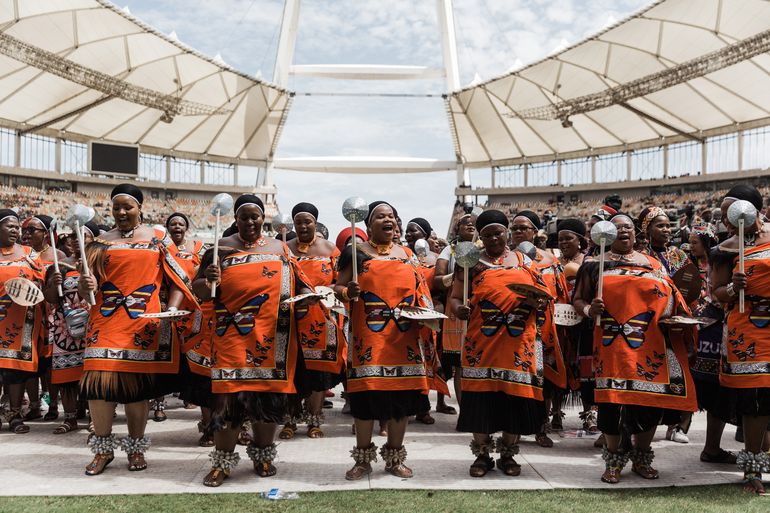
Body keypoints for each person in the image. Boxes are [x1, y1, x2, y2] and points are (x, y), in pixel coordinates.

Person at [193, 194, 313, 487]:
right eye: (243, 217)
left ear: (263, 218)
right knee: (228, 399)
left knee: (266, 398)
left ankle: (263, 456)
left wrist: (308, 298)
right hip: (231, 334)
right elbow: (198, 290)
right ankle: (222, 462)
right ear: (235, 219)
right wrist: (208, 279)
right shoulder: (220, 248)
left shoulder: (280, 248)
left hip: (272, 336)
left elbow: (299, 284)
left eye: (254, 216)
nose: (249, 221)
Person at [79, 184, 197, 476]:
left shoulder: (158, 238)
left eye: (127, 207)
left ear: (139, 208)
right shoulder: (100, 242)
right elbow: (86, 290)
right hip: (104, 321)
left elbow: (179, 278)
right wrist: (85, 284)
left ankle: (136, 448)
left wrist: (171, 310)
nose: (121, 212)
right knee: (98, 386)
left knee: (135, 389)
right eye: (116, 207)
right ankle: (102, 450)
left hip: (142, 321)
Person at [573, 213, 697, 484]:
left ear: (635, 232)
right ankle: (614, 461)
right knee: (612, 404)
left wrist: (678, 318)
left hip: (651, 344)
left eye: (627, 227)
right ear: (606, 234)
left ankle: (642, 457)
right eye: (617, 228)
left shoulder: (653, 264)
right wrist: (589, 309)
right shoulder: (593, 265)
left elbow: (673, 296)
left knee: (647, 402)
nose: (623, 231)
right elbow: (578, 299)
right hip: (611, 345)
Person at [334, 201, 434, 480]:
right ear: (369, 224)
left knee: (401, 402)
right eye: (381, 216)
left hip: (404, 339)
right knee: (366, 401)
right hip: (369, 341)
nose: (388, 220)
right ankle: (362, 460)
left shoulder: (408, 254)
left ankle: (395, 458)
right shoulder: (355, 253)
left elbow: (420, 290)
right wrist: (348, 292)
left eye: (391, 216)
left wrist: (425, 314)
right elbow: (337, 286)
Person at [451, 210, 549, 477]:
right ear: (480, 237)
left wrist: (537, 301)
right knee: (481, 398)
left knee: (513, 398)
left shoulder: (525, 261)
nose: (494, 238)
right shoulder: (470, 261)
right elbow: (455, 297)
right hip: (481, 341)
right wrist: (460, 309)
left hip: (517, 342)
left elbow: (543, 295)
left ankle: (508, 454)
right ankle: (482, 455)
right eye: (487, 235)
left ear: (507, 232)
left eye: (498, 233)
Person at [710, 185, 770, 495]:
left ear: (755, 210)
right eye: (723, 215)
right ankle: (752, 469)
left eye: (731, 212)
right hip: (748, 331)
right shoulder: (725, 249)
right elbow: (717, 293)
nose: (726, 220)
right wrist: (734, 288)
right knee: (756, 400)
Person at [280, 202, 345, 440]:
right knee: (292, 370)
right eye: (298, 222)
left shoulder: (330, 249)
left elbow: (340, 283)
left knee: (318, 371)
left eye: (307, 221)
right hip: (290, 318)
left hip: (321, 318)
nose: (303, 226)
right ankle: (289, 420)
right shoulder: (284, 248)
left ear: (315, 223)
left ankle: (314, 420)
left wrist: (323, 291)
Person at [637, 206, 692, 444]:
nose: (667, 230)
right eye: (660, 225)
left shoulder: (678, 255)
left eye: (668, 225)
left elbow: (692, 286)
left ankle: (677, 425)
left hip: (676, 323)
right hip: (648, 323)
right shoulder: (639, 256)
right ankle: (641, 427)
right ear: (646, 229)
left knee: (680, 372)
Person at [510, 210, 564, 446]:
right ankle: (514, 427)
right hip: (514, 327)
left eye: (523, 228)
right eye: (515, 228)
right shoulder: (505, 258)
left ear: (534, 231)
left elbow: (560, 295)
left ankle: (541, 427)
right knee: (516, 377)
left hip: (544, 327)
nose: (518, 232)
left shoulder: (550, 260)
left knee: (544, 380)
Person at [44, 222, 100, 434]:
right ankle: (70, 418)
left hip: (93, 323)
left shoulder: (98, 262)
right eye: (74, 236)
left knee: (92, 373)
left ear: (93, 239)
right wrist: (53, 283)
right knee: (66, 374)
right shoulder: (60, 265)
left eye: (83, 236)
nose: (77, 240)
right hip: (64, 327)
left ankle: (96, 417)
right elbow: (50, 298)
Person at [687, 223, 737, 464]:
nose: (691, 246)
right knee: (716, 390)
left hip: (738, 323)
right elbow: (717, 293)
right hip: (715, 324)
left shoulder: (752, 248)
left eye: (695, 242)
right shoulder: (721, 253)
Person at [0, 209, 45, 434]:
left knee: (15, 369)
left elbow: (42, 284)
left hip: (21, 323)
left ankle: (15, 415)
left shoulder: (29, 254)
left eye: (17, 227)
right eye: (10, 226)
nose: (16, 230)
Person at [21, 215, 66, 422]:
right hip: (27, 314)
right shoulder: (23, 253)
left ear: (46, 233)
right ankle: (34, 405)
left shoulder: (58, 255)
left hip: (51, 314)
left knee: (49, 363)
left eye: (32, 230)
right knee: (29, 361)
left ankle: (53, 404)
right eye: (25, 230)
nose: (26, 234)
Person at [433, 212, 477, 411]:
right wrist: (460, 274)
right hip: (456, 307)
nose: (470, 225)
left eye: (474, 223)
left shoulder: (486, 249)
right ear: (457, 228)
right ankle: (465, 412)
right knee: (460, 363)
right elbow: (437, 280)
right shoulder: (448, 250)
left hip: (481, 306)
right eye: (465, 223)